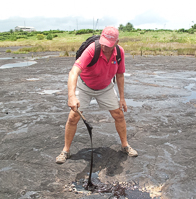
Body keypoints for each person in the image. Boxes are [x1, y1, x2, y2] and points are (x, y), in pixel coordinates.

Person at [56, 26, 138, 164]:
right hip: (85, 86)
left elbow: (120, 74)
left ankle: (125, 146)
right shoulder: (92, 49)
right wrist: (71, 96)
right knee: (73, 117)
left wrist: (122, 98)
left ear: (117, 42)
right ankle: (65, 151)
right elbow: (73, 72)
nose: (105, 47)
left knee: (119, 115)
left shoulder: (119, 52)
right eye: (103, 43)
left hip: (105, 87)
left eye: (109, 45)